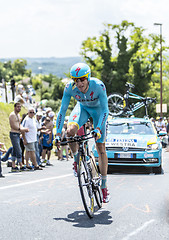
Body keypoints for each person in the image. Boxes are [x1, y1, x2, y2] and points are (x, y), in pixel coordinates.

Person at [55, 62, 109, 203]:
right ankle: (76, 159)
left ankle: (103, 186)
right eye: (76, 80)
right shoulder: (69, 88)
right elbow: (62, 111)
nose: (79, 83)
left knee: (100, 148)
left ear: (88, 77)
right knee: (70, 131)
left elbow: (105, 110)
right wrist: (57, 133)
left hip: (98, 112)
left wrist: (97, 128)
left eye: (82, 79)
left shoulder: (98, 86)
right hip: (82, 109)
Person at [9, 102, 29, 172]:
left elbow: (19, 124)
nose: (19, 108)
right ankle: (21, 164)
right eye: (18, 107)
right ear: (14, 107)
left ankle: (13, 165)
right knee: (18, 149)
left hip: (17, 134)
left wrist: (23, 128)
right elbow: (13, 126)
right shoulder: (12, 115)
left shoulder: (18, 115)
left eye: (20, 107)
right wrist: (23, 129)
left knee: (15, 150)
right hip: (14, 134)